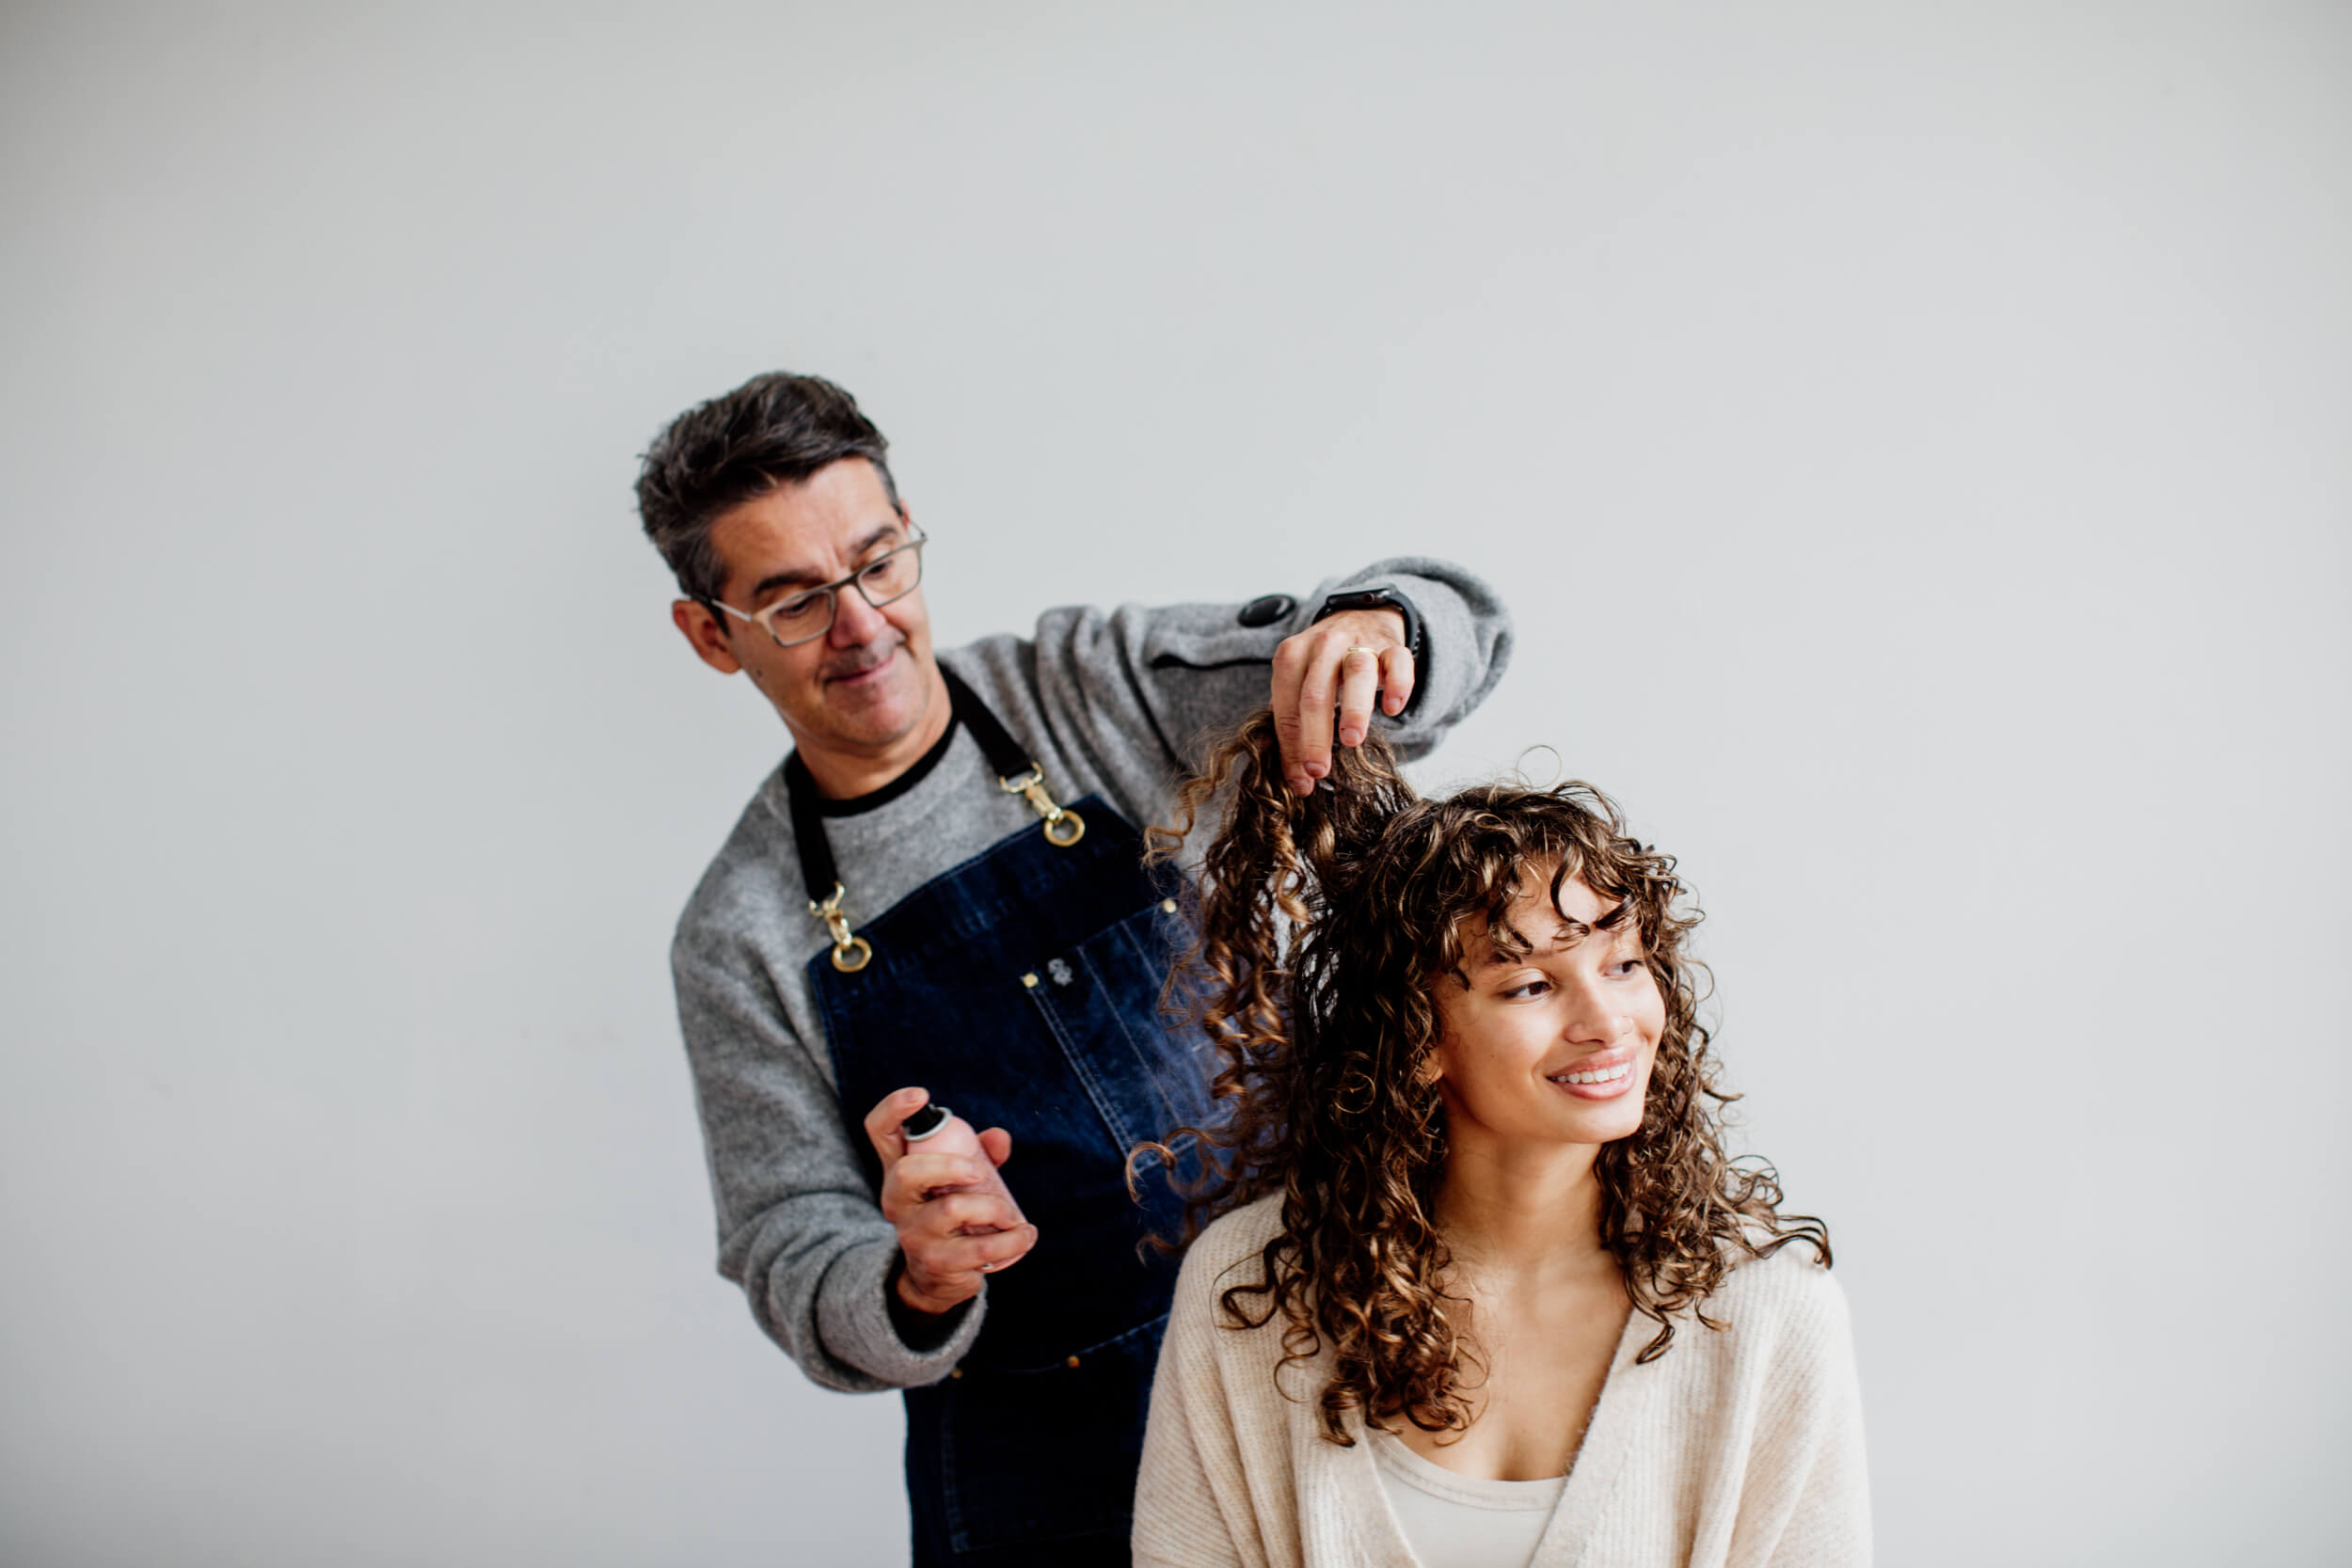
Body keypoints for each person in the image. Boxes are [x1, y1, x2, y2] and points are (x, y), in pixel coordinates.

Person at [635, 372, 1513, 1566]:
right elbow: (790, 1240)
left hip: (1321, 1364)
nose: (861, 624)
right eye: (793, 600)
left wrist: (1374, 628)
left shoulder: (1093, 689)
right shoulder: (738, 933)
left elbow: (1428, 629)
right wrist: (915, 1275)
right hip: (1048, 1480)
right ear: (709, 634)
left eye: (879, 562)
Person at [1131, 713, 1868, 1568]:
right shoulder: (1250, 1294)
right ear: (1417, 1038)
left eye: (1624, 964)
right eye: (1529, 985)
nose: (1607, 1022)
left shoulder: (1769, 1308)